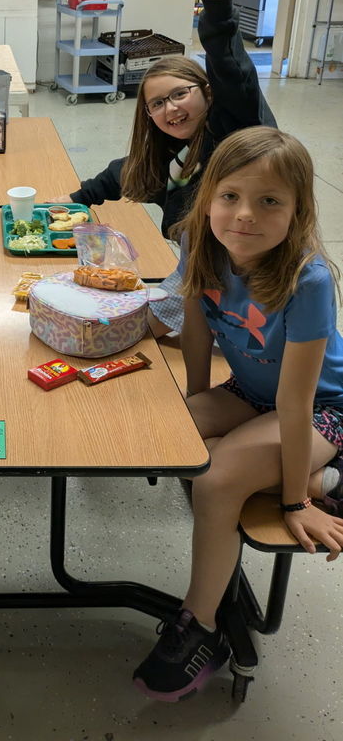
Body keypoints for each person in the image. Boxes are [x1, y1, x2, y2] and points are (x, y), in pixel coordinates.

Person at [133, 126, 343, 703]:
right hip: (250, 395)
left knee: (219, 475)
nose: (244, 215)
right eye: (230, 196)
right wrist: (196, 408)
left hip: (323, 410)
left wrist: (295, 500)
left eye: (269, 201)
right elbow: (196, 332)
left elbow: (299, 404)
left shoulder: (309, 279)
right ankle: (317, 476)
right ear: (208, 199)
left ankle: (200, 626)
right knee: (172, 434)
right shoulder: (200, 243)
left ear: (299, 211)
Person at [53, 0, 275, 334]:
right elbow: (128, 171)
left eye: (180, 94)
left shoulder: (236, 129)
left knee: (115, 331)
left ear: (208, 92)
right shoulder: (170, 155)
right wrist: (78, 198)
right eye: (156, 104)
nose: (169, 109)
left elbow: (230, 62)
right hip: (198, 272)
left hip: (248, 284)